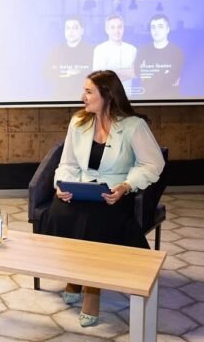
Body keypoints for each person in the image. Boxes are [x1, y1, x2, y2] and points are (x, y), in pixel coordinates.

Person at [37, 70, 164, 327]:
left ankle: (92, 291)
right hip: (82, 188)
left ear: (107, 95)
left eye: (88, 92)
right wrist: (62, 185)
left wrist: (126, 186)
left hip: (114, 193)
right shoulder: (78, 122)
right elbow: (68, 163)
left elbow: (153, 163)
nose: (82, 97)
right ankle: (74, 276)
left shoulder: (133, 126)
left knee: (93, 221)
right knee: (59, 212)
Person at [44, 16, 94, 99]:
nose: (71, 32)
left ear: (82, 31)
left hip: (84, 99)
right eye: (68, 28)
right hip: (59, 98)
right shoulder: (56, 51)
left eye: (75, 28)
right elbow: (46, 73)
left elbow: (96, 75)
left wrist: (78, 73)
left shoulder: (91, 51)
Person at [137, 14, 184, 98]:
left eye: (160, 26)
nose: (156, 30)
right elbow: (139, 73)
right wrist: (163, 74)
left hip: (170, 100)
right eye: (153, 27)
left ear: (167, 29)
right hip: (147, 99)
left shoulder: (176, 52)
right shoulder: (142, 51)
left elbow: (173, 78)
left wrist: (151, 76)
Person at [92, 14, 137, 93]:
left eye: (119, 27)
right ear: (107, 30)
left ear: (123, 29)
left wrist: (111, 72)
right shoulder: (99, 50)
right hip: (107, 94)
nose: (116, 31)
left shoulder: (132, 49)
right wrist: (126, 72)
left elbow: (134, 74)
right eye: (112, 27)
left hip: (128, 94)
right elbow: (98, 77)